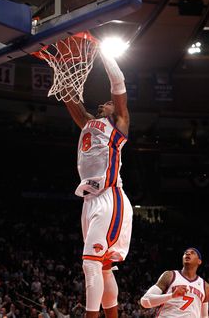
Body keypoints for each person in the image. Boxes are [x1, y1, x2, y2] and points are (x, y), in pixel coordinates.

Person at [62, 50, 133, 318]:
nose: (107, 102)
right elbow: (70, 99)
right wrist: (61, 70)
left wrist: (104, 52)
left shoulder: (119, 125)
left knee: (90, 265)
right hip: (89, 200)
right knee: (102, 267)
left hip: (110, 197)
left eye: (111, 104)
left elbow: (118, 86)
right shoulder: (87, 123)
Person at [140, 247, 209, 317]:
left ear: (199, 261)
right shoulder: (170, 275)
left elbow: (204, 316)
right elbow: (145, 301)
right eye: (185, 253)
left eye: (192, 253)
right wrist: (171, 295)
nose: (188, 254)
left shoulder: (206, 287)